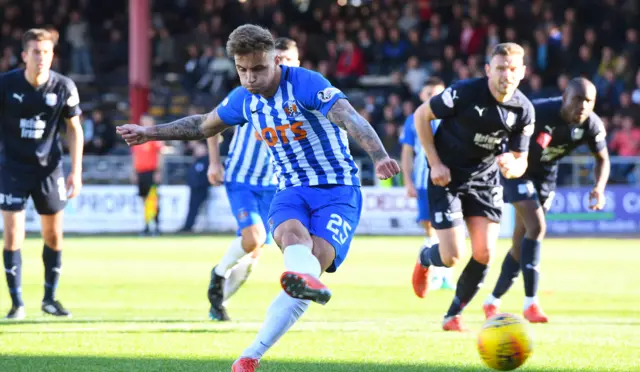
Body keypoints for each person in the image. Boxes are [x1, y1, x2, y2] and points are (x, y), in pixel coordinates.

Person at [116, 24, 400, 372]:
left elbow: (348, 117)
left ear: (274, 61)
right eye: (242, 70)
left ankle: (261, 340)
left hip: (338, 189)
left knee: (317, 260)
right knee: (291, 237)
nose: (250, 78)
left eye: (258, 69)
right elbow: (204, 124)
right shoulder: (243, 99)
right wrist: (149, 132)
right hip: (290, 189)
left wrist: (379, 155)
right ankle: (249, 358)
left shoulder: (307, 84)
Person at [410, 43, 535, 332]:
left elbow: (521, 160)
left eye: (513, 68)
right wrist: (435, 163)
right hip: (447, 177)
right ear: (489, 70)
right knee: (451, 255)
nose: (507, 74)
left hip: (485, 180)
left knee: (484, 253)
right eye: (501, 68)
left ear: (523, 73)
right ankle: (425, 258)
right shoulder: (465, 92)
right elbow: (421, 116)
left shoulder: (524, 110)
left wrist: (512, 166)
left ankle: (453, 314)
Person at [483, 78, 610, 323]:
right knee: (538, 227)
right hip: (517, 170)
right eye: (577, 99)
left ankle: (492, 300)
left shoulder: (591, 124)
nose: (582, 106)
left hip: (545, 179)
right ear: (564, 98)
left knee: (521, 245)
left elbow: (602, 159)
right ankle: (531, 303)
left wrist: (599, 188)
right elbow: (504, 133)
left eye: (588, 101)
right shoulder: (539, 112)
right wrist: (505, 160)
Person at [206, 37, 301, 321]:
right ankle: (219, 273)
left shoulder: (303, 100)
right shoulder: (248, 93)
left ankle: (217, 301)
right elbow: (210, 124)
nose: (282, 64)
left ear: (297, 64)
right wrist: (213, 162)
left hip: (276, 185)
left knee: (254, 250)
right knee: (254, 238)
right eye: (278, 59)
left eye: (288, 60)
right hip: (242, 178)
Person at [0, 29, 84, 319]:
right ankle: (17, 304)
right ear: (24, 55)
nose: (41, 57)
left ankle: (49, 298)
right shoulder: (5, 85)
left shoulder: (63, 86)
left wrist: (76, 171)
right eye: (36, 52)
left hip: (49, 169)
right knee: (13, 236)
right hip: (12, 168)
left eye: (46, 52)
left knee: (53, 236)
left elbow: (74, 130)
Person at [400, 77, 455, 291]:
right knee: (430, 229)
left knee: (449, 228)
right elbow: (407, 152)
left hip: (449, 181)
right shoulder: (413, 119)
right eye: (428, 93)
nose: (432, 97)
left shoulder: (451, 117)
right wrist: (408, 181)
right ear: (421, 95)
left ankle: (445, 276)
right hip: (424, 182)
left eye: (437, 93)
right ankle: (434, 273)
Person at [130, 114, 163, 236]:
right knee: (144, 201)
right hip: (140, 173)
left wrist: (158, 171)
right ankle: (147, 226)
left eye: (147, 122)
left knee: (153, 200)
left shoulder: (155, 137)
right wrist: (134, 172)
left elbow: (160, 155)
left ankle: (156, 226)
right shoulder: (138, 137)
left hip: (151, 172)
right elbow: (135, 156)